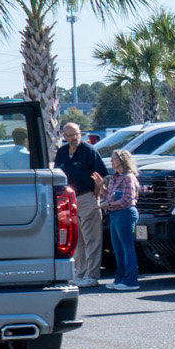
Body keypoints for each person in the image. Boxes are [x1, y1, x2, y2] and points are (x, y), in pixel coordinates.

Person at [52, 122, 108, 287]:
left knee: (92, 239)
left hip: (86, 197)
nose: (72, 138)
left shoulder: (89, 151)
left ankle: (92, 274)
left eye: (74, 134)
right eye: (68, 135)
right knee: (77, 240)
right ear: (64, 136)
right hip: (68, 200)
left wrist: (95, 198)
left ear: (80, 133)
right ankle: (80, 273)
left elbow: (99, 177)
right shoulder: (62, 153)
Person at [102, 150, 143, 291]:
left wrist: (108, 204)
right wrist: (101, 188)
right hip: (114, 214)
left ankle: (131, 280)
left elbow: (127, 199)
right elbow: (109, 196)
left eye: (114, 159)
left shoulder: (128, 178)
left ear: (122, 160)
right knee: (118, 249)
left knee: (127, 248)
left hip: (125, 213)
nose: (111, 161)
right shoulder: (114, 177)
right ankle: (120, 278)